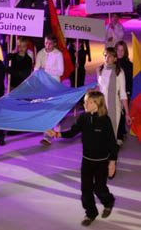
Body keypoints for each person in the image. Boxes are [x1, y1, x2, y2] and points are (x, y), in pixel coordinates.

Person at [45, 91, 118, 226]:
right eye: (85, 101)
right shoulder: (83, 118)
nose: (84, 104)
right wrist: (56, 133)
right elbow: (72, 133)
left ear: (97, 104)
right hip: (87, 161)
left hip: (102, 162)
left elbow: (112, 143)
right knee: (86, 189)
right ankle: (90, 213)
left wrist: (112, 163)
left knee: (99, 189)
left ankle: (109, 201)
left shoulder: (105, 121)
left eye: (88, 102)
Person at [97, 47, 132, 147]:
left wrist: (127, 114)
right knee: (101, 136)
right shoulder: (100, 70)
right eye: (105, 55)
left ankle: (111, 160)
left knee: (111, 135)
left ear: (115, 59)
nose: (107, 58)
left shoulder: (119, 72)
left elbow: (123, 94)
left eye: (110, 56)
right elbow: (100, 88)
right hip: (101, 107)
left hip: (114, 108)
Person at [115, 41, 133, 143]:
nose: (120, 52)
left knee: (122, 114)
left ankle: (120, 136)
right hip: (115, 93)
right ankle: (120, 132)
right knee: (117, 114)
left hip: (125, 93)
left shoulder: (129, 65)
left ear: (125, 51)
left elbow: (130, 80)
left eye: (122, 50)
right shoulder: (113, 63)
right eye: (118, 50)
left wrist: (128, 92)